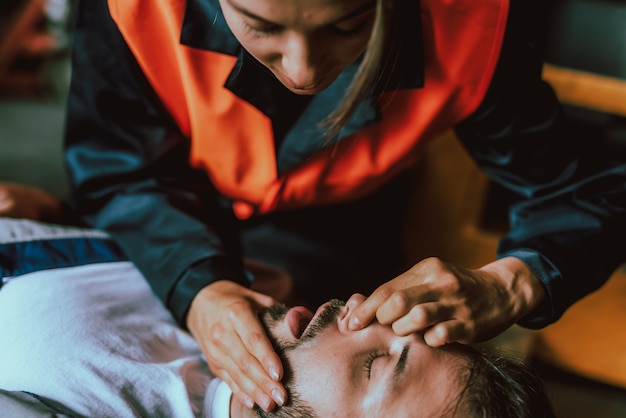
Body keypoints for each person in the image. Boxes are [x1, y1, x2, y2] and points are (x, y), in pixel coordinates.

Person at [7, 0, 626, 412]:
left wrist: (513, 285)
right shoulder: (133, 8)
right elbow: (118, 167)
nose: (302, 71)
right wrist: (196, 286)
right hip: (168, 200)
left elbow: (586, 188)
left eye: (347, 23)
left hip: (336, 222)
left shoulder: (471, 20)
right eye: (261, 24)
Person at [0, 218, 555, 417]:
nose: (364, 312)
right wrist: (53, 217)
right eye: (404, 325)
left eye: (381, 365)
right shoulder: (263, 290)